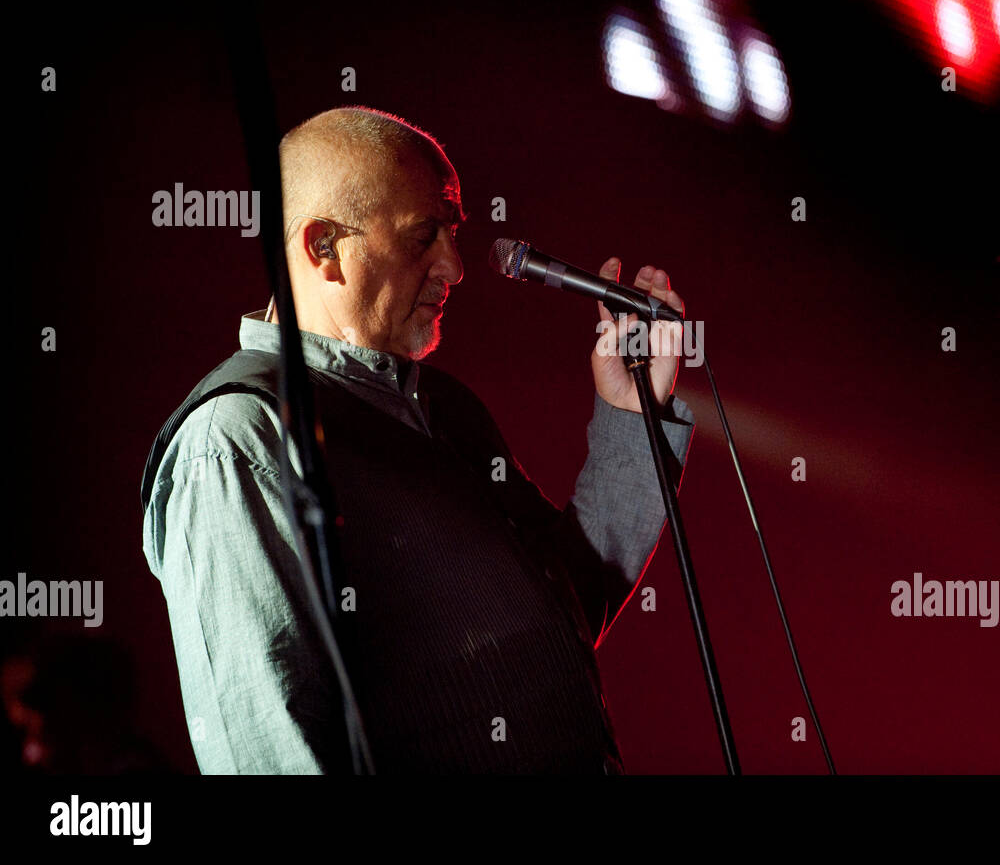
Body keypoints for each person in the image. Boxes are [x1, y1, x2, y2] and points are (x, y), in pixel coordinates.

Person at [140, 106, 695, 773]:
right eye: (423, 235)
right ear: (323, 247)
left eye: (453, 232)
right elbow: (264, 742)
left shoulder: (445, 407)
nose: (456, 267)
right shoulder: (238, 438)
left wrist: (630, 417)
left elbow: (570, 608)